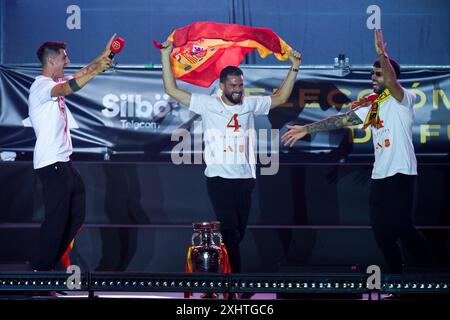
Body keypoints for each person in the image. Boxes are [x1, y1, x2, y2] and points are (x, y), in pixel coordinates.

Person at [281, 30, 433, 274]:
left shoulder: (404, 99)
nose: (373, 77)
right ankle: (397, 283)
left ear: (390, 75)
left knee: (403, 226)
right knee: (382, 232)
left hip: (401, 173)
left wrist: (381, 53)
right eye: (372, 73)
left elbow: (393, 84)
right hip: (380, 176)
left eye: (378, 73)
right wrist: (306, 128)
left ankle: (431, 276)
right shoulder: (373, 105)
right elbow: (342, 120)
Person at [161, 40, 301, 273]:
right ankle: (233, 283)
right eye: (233, 85)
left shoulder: (249, 104)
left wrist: (294, 67)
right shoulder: (207, 104)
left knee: (238, 233)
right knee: (230, 234)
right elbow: (172, 90)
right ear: (222, 86)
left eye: (240, 85)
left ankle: (226, 276)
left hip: (245, 179)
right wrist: (166, 55)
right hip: (219, 180)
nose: (238, 89)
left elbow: (280, 98)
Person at [29, 34, 115, 271]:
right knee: (56, 221)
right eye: (64, 58)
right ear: (52, 61)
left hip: (64, 163)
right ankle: (39, 272)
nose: (68, 61)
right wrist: (97, 71)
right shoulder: (41, 86)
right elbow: (68, 87)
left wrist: (104, 55)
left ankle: (47, 267)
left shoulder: (53, 82)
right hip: (51, 164)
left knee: (76, 217)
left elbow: (80, 73)